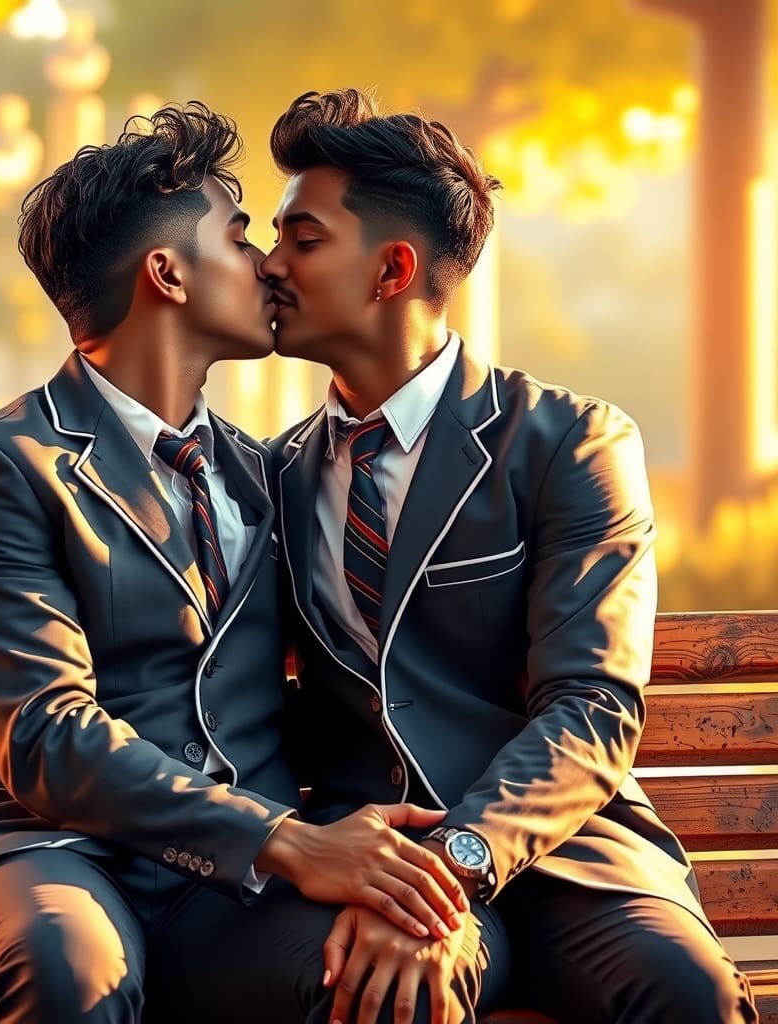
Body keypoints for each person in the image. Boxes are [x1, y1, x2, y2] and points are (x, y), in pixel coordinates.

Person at [0, 103, 471, 1024]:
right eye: (240, 238)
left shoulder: (272, 473)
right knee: (69, 974)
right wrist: (283, 839)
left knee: (388, 988)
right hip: (48, 852)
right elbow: (44, 735)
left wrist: (418, 863)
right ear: (168, 274)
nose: (268, 265)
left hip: (231, 886)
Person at [261, 88, 758, 1024]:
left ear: (392, 269)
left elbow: (593, 704)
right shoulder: (273, 475)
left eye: (304, 239)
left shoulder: (570, 443)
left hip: (566, 851)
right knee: (386, 997)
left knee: (687, 994)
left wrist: (459, 861)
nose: (269, 264)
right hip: (375, 851)